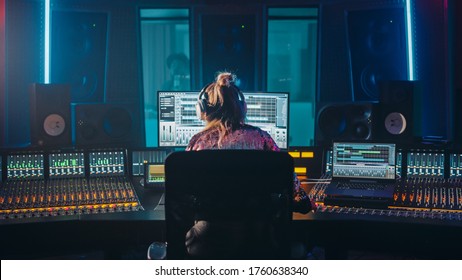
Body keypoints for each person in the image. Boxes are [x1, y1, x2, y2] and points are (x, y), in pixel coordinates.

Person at [186, 71, 315, 213]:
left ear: (202, 110)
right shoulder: (261, 138)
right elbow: (290, 181)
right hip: (256, 230)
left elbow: (184, 189)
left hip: (208, 230)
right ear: (243, 108)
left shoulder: (197, 142)